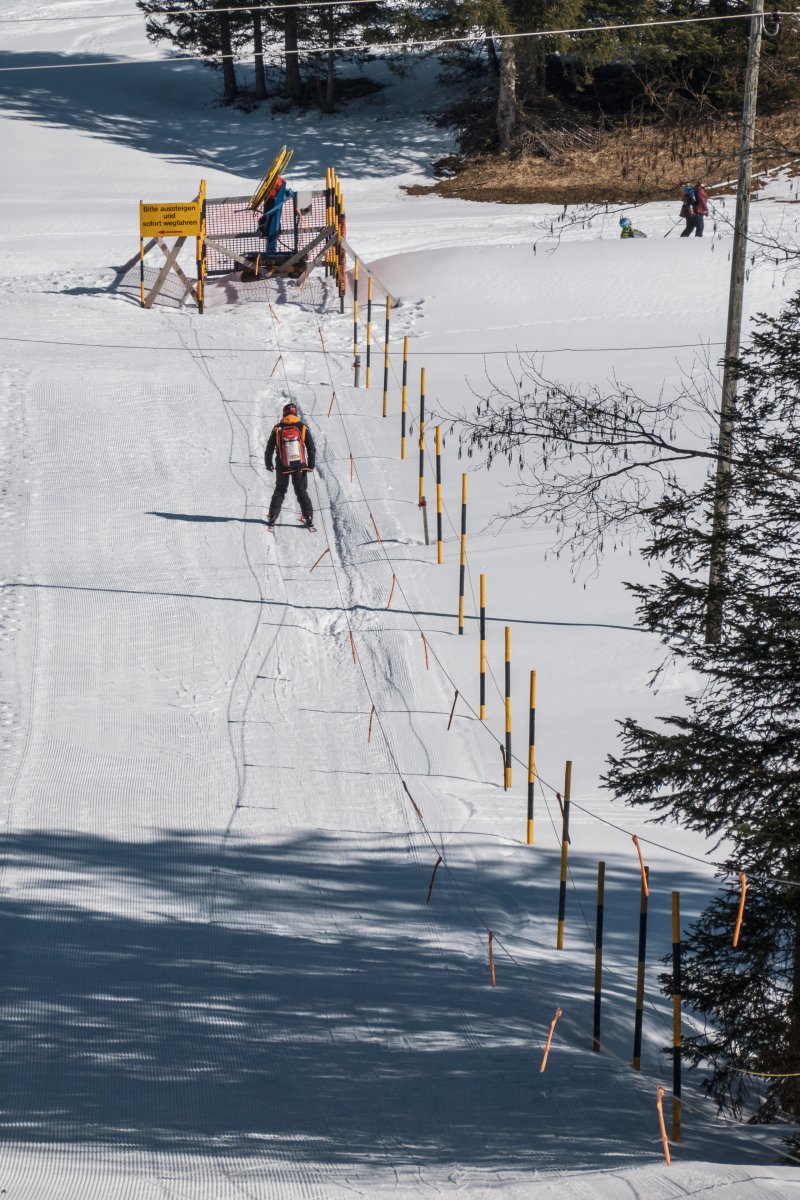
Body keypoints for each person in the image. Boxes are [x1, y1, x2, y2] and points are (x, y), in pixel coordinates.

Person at [265, 401, 316, 527]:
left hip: (282, 465)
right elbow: (311, 448)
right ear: (295, 413)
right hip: (300, 465)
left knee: (280, 490)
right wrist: (311, 464)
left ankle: (273, 516)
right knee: (301, 491)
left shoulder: (278, 428)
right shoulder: (302, 427)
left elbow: (270, 447)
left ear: (284, 413)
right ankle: (308, 516)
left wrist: (268, 462)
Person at [257, 176, 293, 255]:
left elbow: (274, 194)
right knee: (269, 223)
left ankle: (271, 246)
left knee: (272, 223)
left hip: (274, 209)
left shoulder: (278, 184)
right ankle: (266, 235)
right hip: (271, 208)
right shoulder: (274, 186)